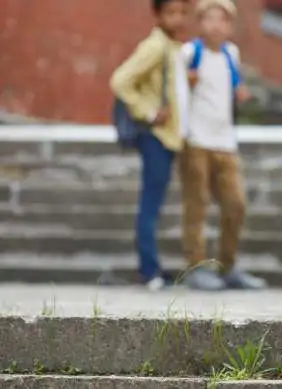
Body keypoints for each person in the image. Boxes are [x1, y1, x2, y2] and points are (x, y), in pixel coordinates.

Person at [177, 0, 265, 290]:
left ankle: (228, 265)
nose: (216, 25)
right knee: (197, 204)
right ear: (200, 22)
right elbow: (177, 92)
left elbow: (230, 84)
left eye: (222, 19)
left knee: (235, 203)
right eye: (209, 18)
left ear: (230, 24)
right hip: (196, 140)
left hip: (225, 141)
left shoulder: (231, 53)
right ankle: (196, 266)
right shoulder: (190, 52)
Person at [110, 0, 190, 291]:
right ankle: (149, 270)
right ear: (157, 14)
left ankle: (152, 266)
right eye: (171, 12)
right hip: (155, 137)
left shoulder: (172, 46)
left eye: (183, 12)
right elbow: (120, 80)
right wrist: (149, 111)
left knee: (154, 202)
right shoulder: (155, 46)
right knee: (150, 203)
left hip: (168, 137)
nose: (178, 18)